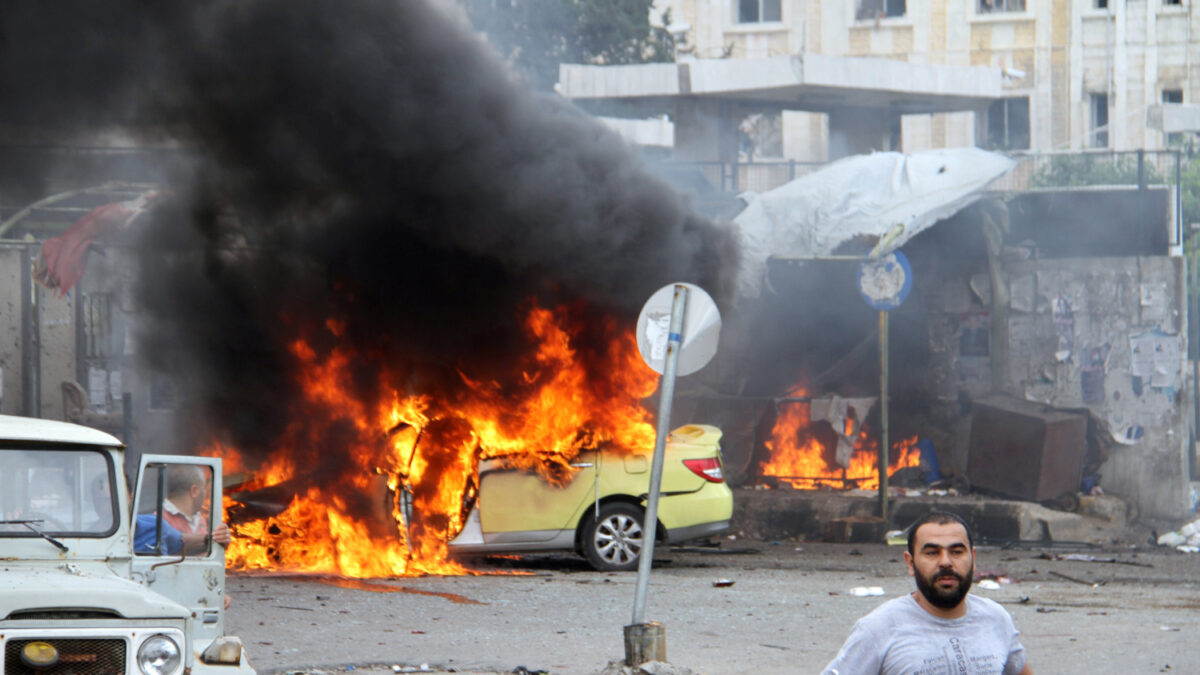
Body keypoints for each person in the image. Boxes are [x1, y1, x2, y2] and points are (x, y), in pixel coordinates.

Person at [822, 511, 1032, 675]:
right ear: (910, 563)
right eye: (932, 553)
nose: (946, 562)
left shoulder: (996, 620)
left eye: (957, 552)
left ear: (973, 558)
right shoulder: (879, 629)